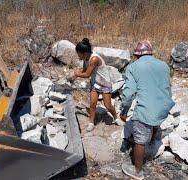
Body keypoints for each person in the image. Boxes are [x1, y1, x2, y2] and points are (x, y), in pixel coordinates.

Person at [120, 40, 175, 180]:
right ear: (151, 53)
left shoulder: (133, 67)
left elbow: (128, 95)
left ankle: (138, 172)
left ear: (137, 55)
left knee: (139, 139)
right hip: (163, 108)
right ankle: (151, 143)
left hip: (147, 111)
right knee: (153, 121)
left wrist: (124, 112)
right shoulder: (163, 65)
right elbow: (167, 87)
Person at [74, 38, 123, 132]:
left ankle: (116, 118)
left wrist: (76, 74)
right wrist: (77, 72)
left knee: (108, 105)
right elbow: (84, 70)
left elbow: (87, 74)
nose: (78, 56)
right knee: (92, 104)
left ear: (84, 53)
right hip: (95, 83)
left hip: (105, 83)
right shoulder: (86, 59)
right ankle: (91, 122)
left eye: (78, 54)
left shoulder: (94, 59)